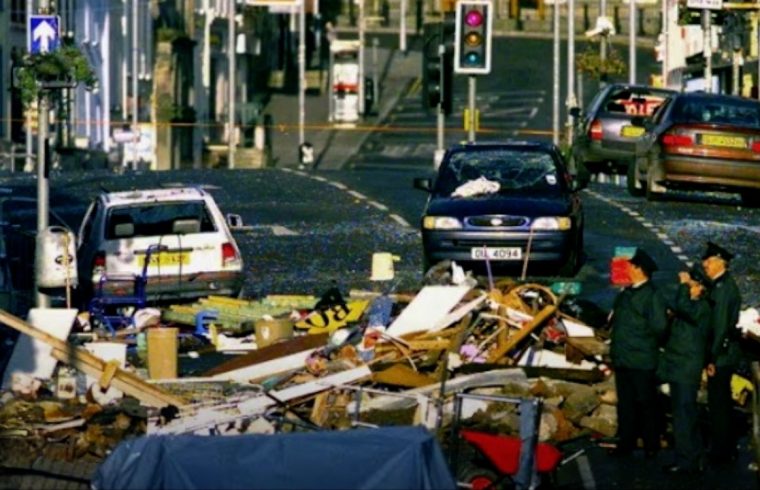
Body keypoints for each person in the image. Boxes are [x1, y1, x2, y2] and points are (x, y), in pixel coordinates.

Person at [608, 249, 670, 458]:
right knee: (625, 404)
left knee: (646, 403)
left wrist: (644, 340)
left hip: (642, 358)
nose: (627, 269)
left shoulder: (652, 295)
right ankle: (626, 443)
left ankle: (651, 444)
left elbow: (660, 327)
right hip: (624, 357)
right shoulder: (627, 293)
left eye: (631, 266)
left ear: (639, 270)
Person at [657, 267, 711, 474]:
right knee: (683, 414)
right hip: (679, 366)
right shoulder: (691, 308)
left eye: (691, 286)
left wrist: (682, 285)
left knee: (684, 415)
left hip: (686, 368)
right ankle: (692, 457)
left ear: (700, 288)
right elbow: (675, 305)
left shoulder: (701, 308)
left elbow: (681, 305)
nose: (687, 290)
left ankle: (688, 460)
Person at [701, 241, 743, 464]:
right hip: (722, 353)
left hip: (722, 355)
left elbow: (720, 327)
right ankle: (722, 446)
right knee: (718, 402)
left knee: (719, 404)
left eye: (708, 261)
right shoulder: (719, 285)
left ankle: (721, 450)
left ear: (720, 263)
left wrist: (712, 358)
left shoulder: (724, 289)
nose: (704, 264)